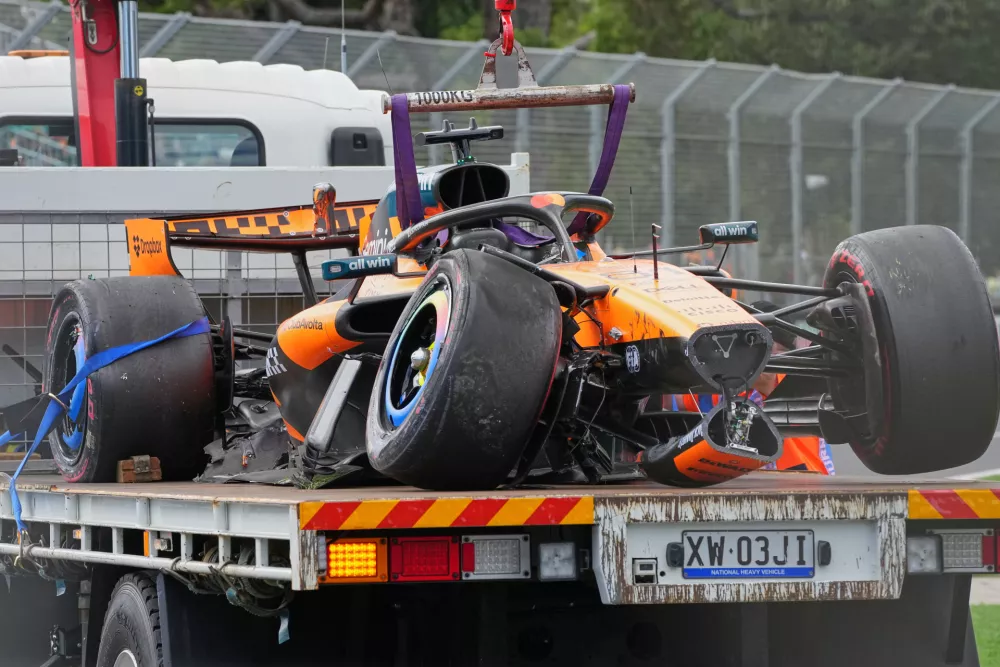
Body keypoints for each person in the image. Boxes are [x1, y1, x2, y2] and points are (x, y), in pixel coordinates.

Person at [660, 300, 835, 475]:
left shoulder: (793, 382)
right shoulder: (734, 385)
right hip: (765, 485)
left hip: (807, 484)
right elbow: (677, 399)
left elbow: (768, 380)